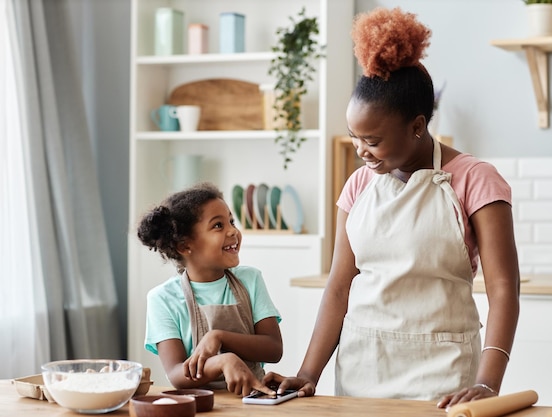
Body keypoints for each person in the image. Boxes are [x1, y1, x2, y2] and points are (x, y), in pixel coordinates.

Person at [263, 7, 520, 408]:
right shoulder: (359, 186)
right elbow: (338, 287)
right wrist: (308, 373)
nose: (361, 151)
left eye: (374, 140)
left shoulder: (476, 180)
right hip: (363, 367)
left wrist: (488, 382)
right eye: (354, 137)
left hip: (443, 374)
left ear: (417, 127)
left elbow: (504, 288)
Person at [137, 182, 282, 396]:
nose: (233, 231)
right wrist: (224, 361)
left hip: (254, 399)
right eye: (218, 226)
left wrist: (219, 337)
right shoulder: (162, 299)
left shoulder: (250, 279)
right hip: (201, 407)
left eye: (231, 221)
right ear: (185, 246)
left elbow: (273, 349)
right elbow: (177, 374)